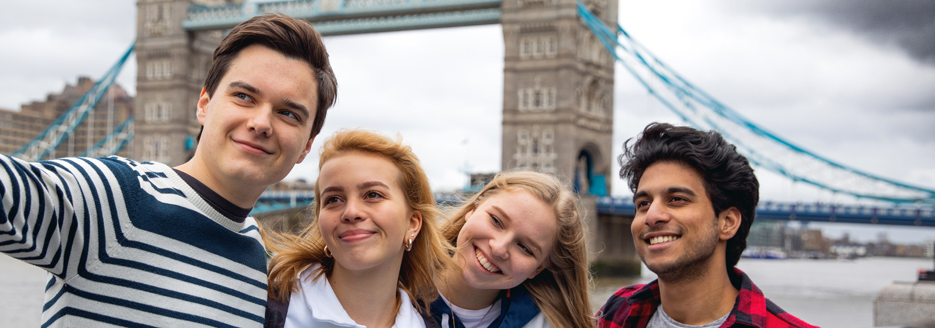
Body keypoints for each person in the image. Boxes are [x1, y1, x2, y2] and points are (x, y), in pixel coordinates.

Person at [0, 0, 337, 326]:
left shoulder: (267, 274)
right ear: (203, 104)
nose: (261, 122)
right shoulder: (116, 199)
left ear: (305, 148)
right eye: (244, 96)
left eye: (288, 113)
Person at [597, 123, 814, 328]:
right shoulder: (613, 315)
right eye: (643, 204)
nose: (651, 216)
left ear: (727, 223)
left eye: (677, 199)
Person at [265, 130, 451, 328]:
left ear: (412, 224)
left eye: (373, 195)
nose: (351, 212)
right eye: (333, 199)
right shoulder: (265, 309)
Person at [432, 171, 594, 328]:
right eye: (496, 220)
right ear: (473, 210)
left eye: (524, 248)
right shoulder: (406, 286)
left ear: (537, 269)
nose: (498, 248)